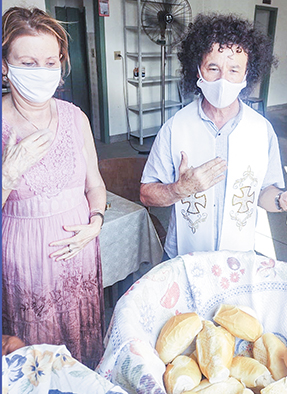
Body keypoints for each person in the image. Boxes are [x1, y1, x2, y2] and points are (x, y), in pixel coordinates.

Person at [140, 13, 287, 260]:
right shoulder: (175, 127)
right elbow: (146, 193)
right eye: (213, 68)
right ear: (197, 70)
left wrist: (282, 199)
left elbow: (264, 191)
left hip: (238, 259)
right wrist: (179, 189)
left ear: (247, 74)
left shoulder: (261, 130)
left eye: (234, 69)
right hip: (185, 256)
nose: (223, 80)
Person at [2, 7, 106, 369]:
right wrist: (7, 173)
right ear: (5, 65)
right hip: (26, 268)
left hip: (81, 261)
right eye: (28, 63)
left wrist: (96, 222)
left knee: (83, 354)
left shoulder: (76, 117)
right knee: (36, 364)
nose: (41, 73)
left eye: (50, 62)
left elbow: (95, 185)